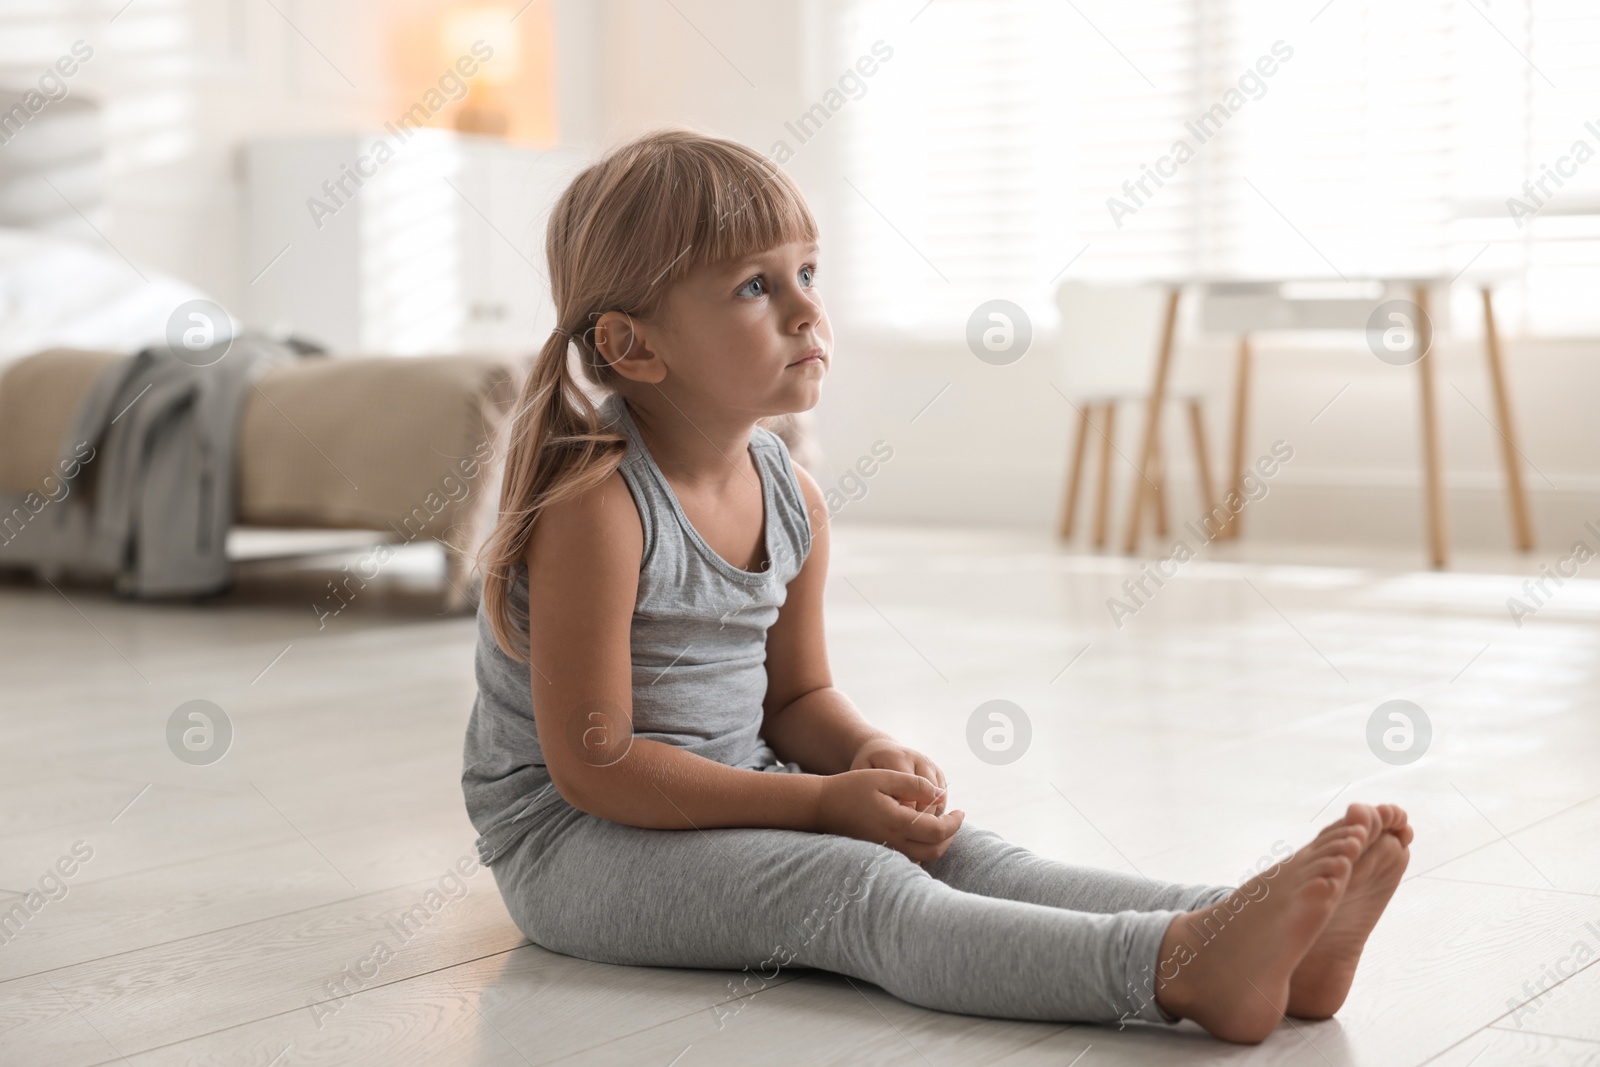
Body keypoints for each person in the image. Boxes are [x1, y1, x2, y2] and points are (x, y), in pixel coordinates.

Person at [460, 128, 1413, 1042]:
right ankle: (1170, 967)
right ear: (633, 347)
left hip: (735, 793)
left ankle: (1244, 926)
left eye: (807, 272)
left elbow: (795, 699)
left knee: (964, 852)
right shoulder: (596, 503)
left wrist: (866, 750)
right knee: (862, 890)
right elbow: (597, 765)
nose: (805, 310)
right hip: (574, 843)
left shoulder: (789, 492)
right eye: (754, 285)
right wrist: (821, 805)